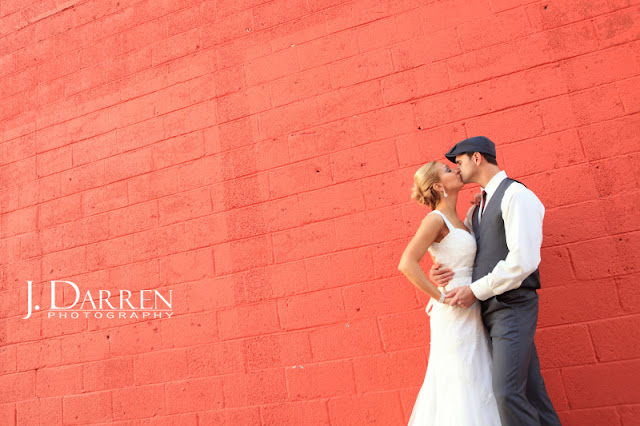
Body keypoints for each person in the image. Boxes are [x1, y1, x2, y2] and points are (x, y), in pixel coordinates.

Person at [430, 136, 561, 426]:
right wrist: (437, 272)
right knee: (531, 392)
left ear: (477, 158)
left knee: (506, 393)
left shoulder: (517, 196)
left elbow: (523, 261)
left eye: (460, 162)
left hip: (511, 307)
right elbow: (468, 253)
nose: (458, 169)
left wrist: (474, 291)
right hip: (486, 314)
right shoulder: (477, 208)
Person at [398, 160, 501, 425]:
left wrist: (483, 204)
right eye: (447, 170)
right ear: (438, 186)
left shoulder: (461, 219)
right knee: (461, 379)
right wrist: (440, 296)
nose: (455, 170)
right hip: (455, 311)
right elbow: (407, 263)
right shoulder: (436, 220)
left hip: (474, 306)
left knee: (478, 375)